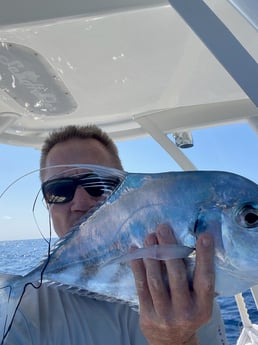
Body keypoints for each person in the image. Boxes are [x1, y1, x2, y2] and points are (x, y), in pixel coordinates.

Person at [4, 125, 228, 345]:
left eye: (99, 184)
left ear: (125, 192)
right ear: (47, 205)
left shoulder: (190, 295)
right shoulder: (21, 313)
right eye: (59, 191)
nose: (81, 203)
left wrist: (179, 341)